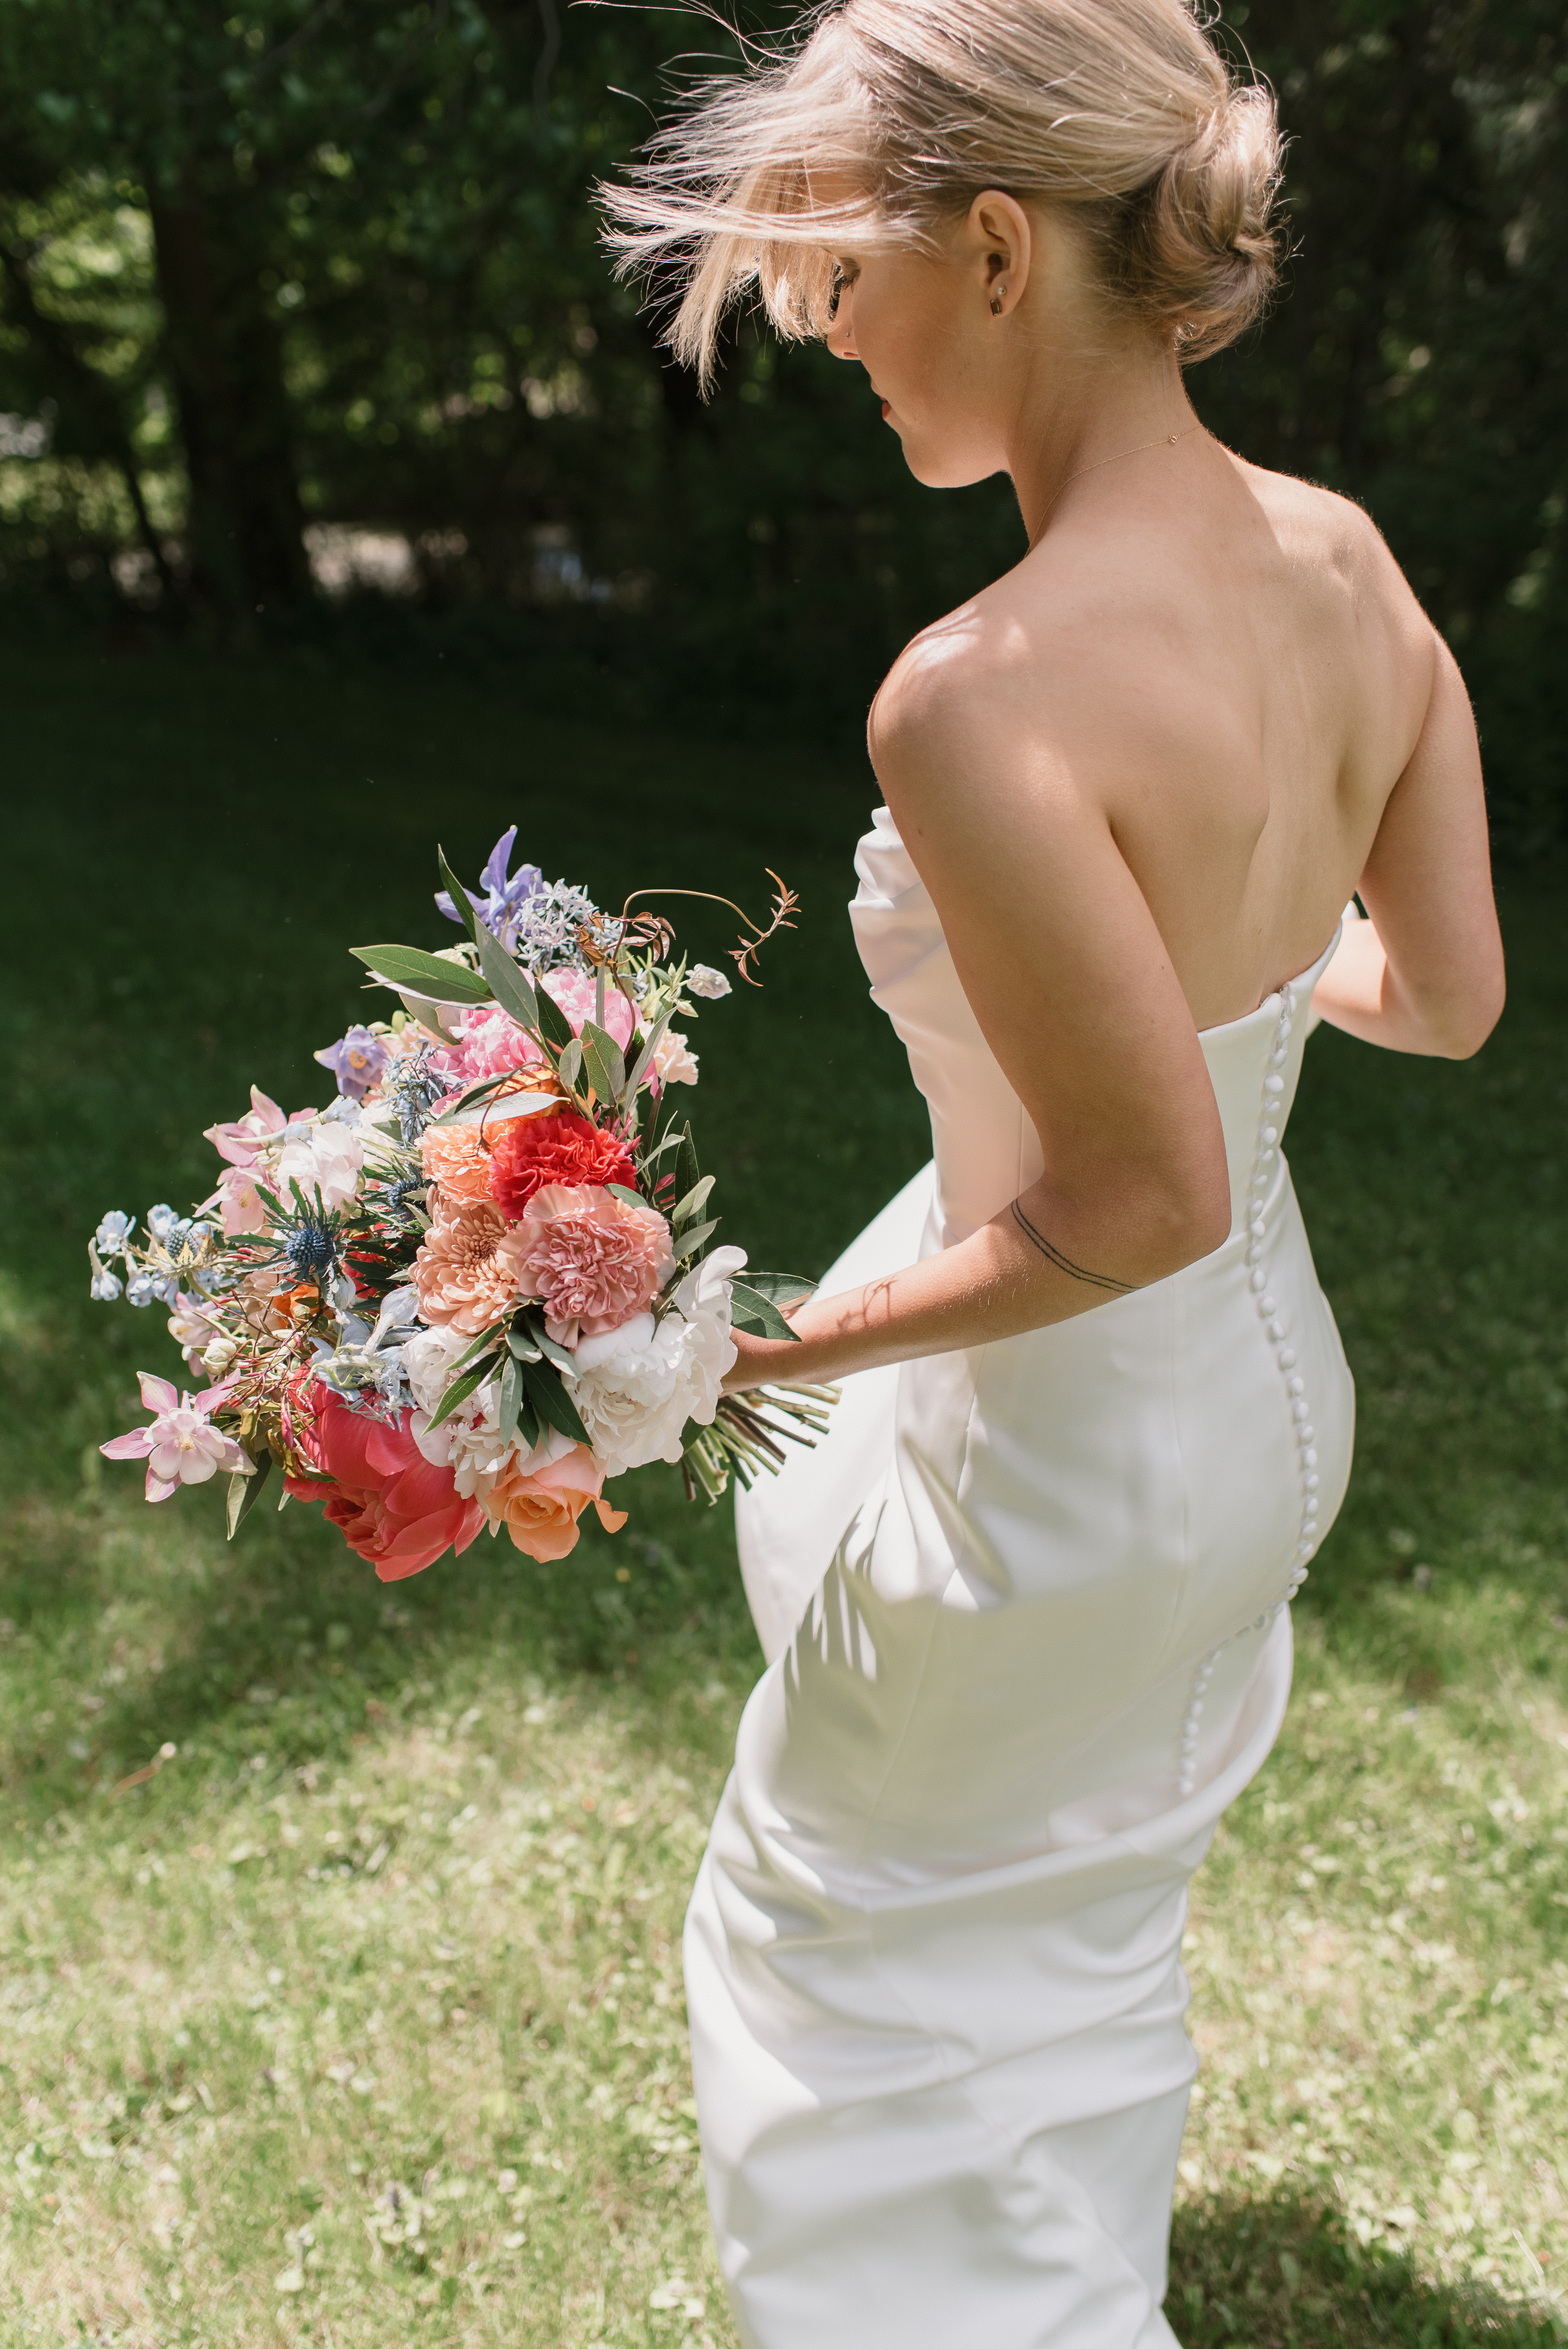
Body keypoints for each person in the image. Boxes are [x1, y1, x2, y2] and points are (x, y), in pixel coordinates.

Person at [604, 3, 1505, 2341]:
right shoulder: (1345, 558)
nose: (830, 341)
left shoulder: (980, 689)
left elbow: (1136, 1201)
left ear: (1000, 251)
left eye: (845, 286)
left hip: (1071, 1461)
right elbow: (1452, 994)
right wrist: (1243, 994)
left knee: (827, 1936)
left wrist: (747, 1352)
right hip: (1266, 1422)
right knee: (1067, 1926)